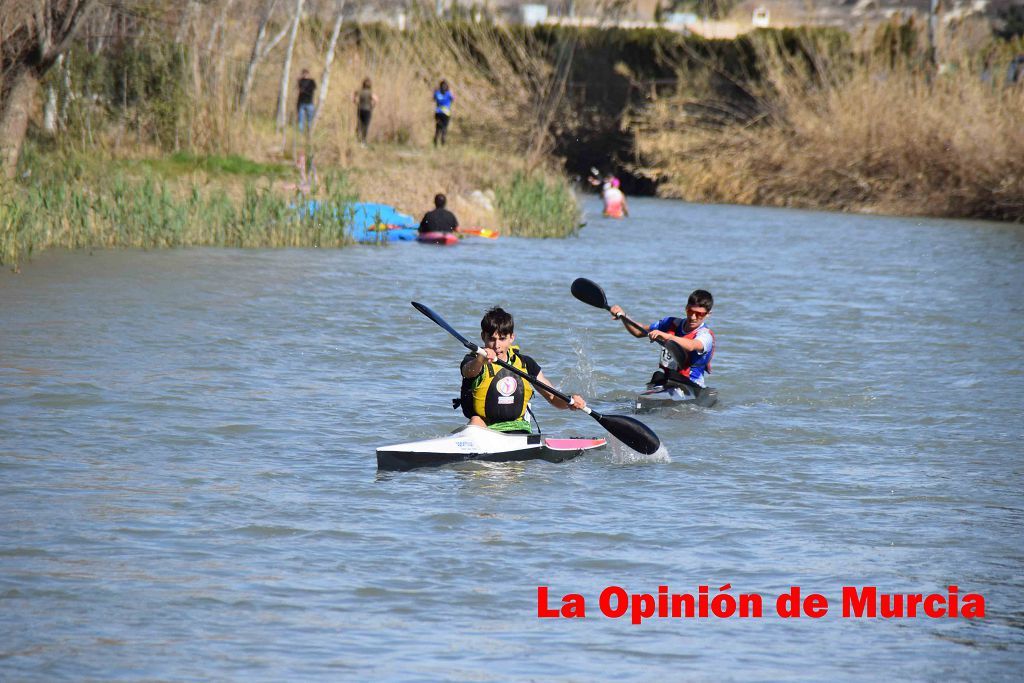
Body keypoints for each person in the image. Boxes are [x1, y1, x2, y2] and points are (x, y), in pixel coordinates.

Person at [458, 307, 586, 432]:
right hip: (484, 428)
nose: (497, 345)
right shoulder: (473, 360)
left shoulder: (525, 363)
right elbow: (468, 372)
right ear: (483, 336)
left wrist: (569, 402)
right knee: (475, 420)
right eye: (492, 339)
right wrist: (481, 359)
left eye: (502, 339)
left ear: (512, 337)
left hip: (517, 428)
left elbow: (552, 397)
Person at [609, 289, 714, 392]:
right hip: (668, 380)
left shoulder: (705, 335)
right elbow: (638, 331)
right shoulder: (670, 323)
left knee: (668, 376)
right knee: (658, 375)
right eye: (690, 311)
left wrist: (666, 336)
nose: (693, 317)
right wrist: (623, 316)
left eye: (699, 314)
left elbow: (692, 345)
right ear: (686, 308)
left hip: (692, 386)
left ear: (708, 314)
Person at [353, 77, 379, 144]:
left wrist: (356, 103)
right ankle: (363, 141)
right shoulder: (370, 92)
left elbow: (354, 97)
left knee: (359, 125)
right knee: (365, 126)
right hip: (367, 111)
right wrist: (372, 106)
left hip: (360, 109)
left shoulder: (360, 91)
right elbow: (376, 99)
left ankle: (356, 140)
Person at [433, 80, 453, 146]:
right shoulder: (449, 93)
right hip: (446, 113)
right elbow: (453, 99)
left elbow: (433, 98)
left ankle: (436, 139)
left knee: (438, 127)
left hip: (438, 112)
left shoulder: (437, 93)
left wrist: (435, 91)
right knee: (444, 127)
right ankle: (443, 138)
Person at [296, 69, 317, 133]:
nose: (305, 75)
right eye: (303, 73)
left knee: (309, 120)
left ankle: (309, 133)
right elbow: (300, 89)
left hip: (309, 103)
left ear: (308, 74)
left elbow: (313, 88)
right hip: (301, 103)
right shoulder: (300, 81)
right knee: (300, 120)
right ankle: (301, 134)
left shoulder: (312, 81)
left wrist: (304, 90)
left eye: (306, 74)